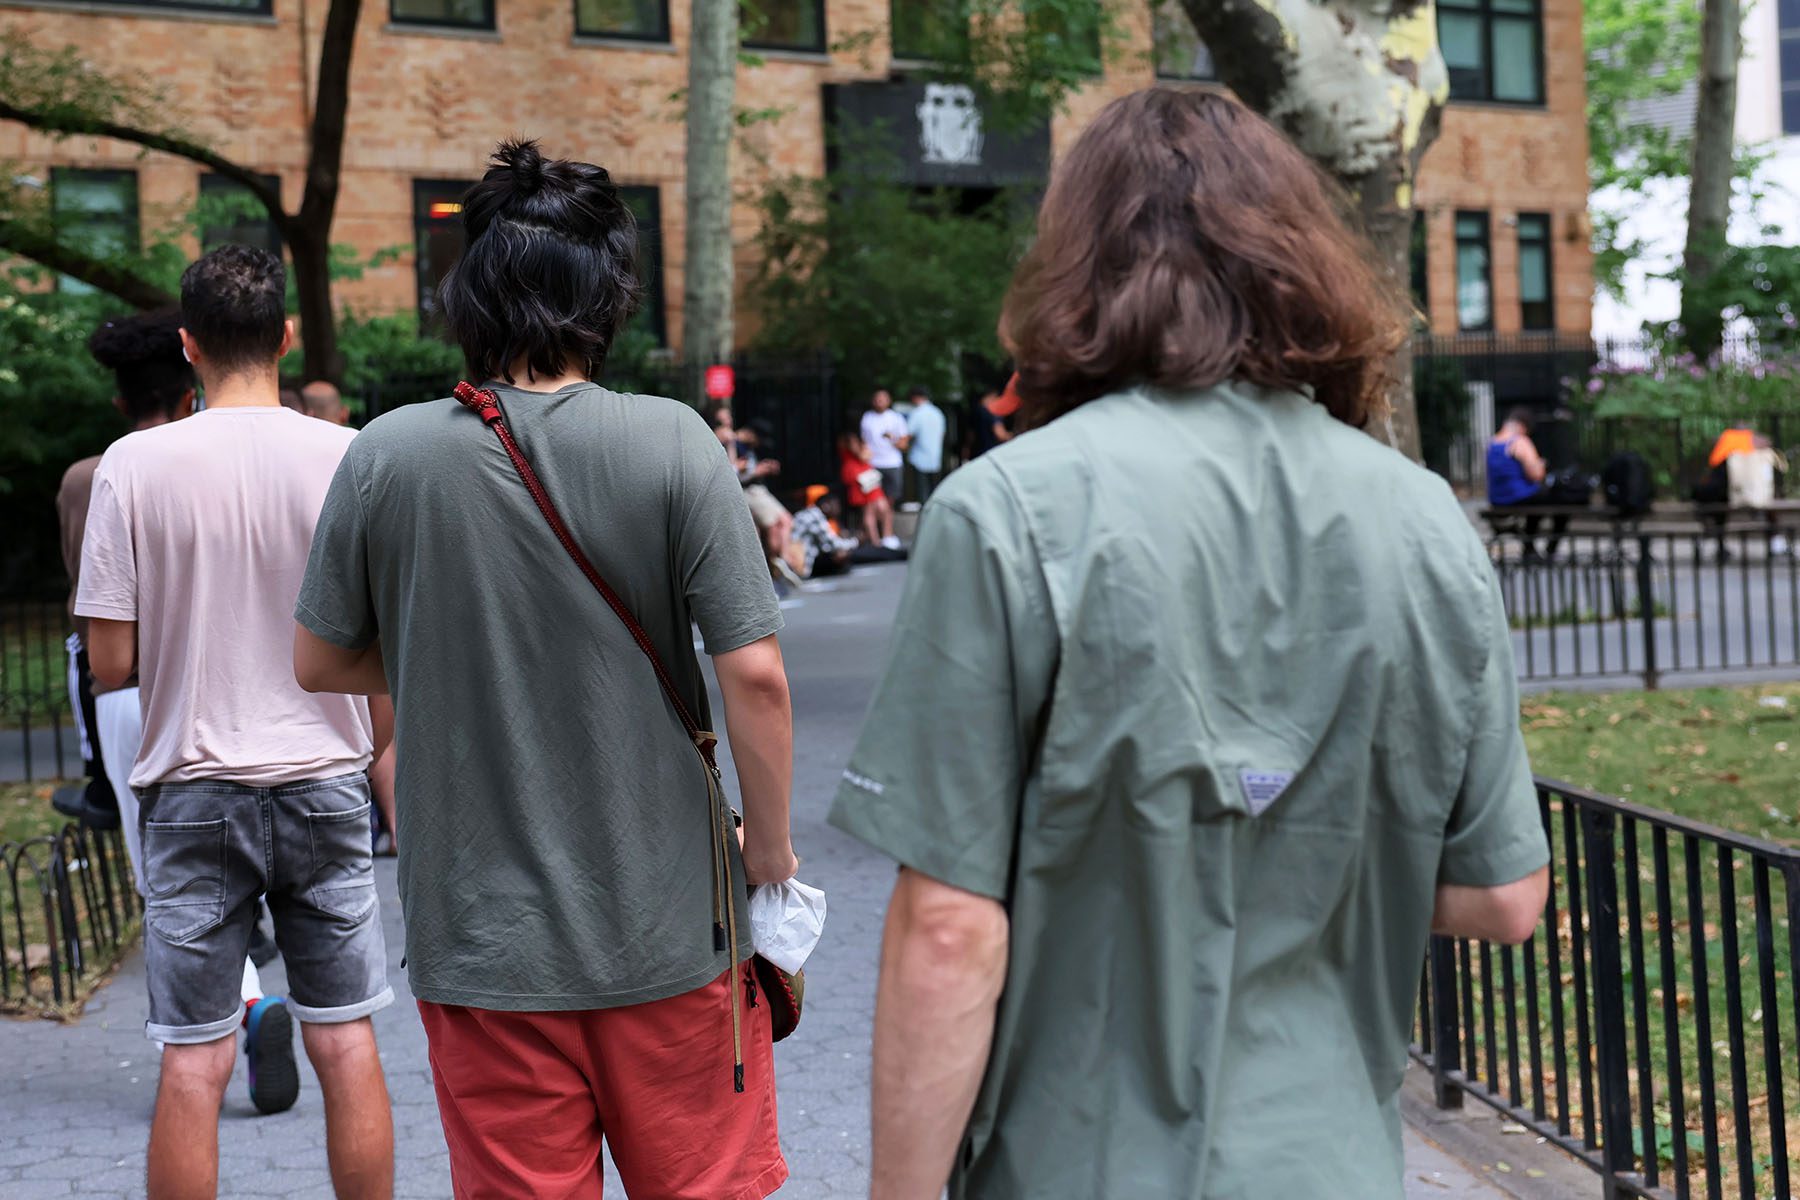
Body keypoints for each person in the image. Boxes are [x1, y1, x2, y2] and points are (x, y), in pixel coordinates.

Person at [829, 89, 1550, 1200]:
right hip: (1331, 1166)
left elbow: (947, 930)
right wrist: (1291, 859)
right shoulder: (1425, 522)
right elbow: (1506, 897)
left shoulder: (1009, 510)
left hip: (1077, 1161)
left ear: (1077, 265)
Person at [292, 140, 795, 1200]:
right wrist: (770, 852)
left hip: (484, 947)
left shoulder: (386, 454)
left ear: (466, 294)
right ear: (608, 294)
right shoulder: (675, 445)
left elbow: (318, 657)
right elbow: (756, 676)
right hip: (672, 936)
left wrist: (452, 646)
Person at [76, 245, 394, 1196]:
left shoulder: (130, 468)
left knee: (194, 1055)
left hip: (193, 789)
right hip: (325, 781)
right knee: (344, 1040)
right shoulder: (352, 457)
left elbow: (110, 664)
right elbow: (389, 641)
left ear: (188, 346)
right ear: (288, 338)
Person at [54, 312, 197, 836]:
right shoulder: (204, 464)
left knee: (159, 883)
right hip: (196, 687)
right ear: (190, 398)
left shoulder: (82, 478)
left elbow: (83, 586)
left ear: (120, 404)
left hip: (118, 690)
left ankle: (98, 791)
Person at [1487, 408, 1569, 560]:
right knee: (1561, 501)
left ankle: (1529, 547)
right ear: (1523, 426)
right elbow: (1536, 475)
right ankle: (1550, 549)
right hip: (1519, 496)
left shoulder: (1492, 443)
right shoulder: (1519, 441)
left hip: (1498, 499)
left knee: (1538, 502)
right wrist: (1540, 465)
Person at [861, 388, 910, 514]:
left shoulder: (896, 418)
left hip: (892, 463)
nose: (879, 402)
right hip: (873, 464)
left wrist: (892, 438)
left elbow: (904, 445)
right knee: (872, 500)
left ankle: (887, 529)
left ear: (888, 401)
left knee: (890, 499)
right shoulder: (867, 417)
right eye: (877, 399)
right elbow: (864, 441)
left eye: (882, 399)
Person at [840, 432, 894, 547]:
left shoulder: (863, 446)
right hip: (860, 482)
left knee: (882, 509)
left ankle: (885, 538)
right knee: (869, 512)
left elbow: (868, 456)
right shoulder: (847, 450)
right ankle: (876, 542)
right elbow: (863, 456)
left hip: (869, 482)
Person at [792, 486, 859, 578]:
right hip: (800, 563)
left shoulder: (810, 513)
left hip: (800, 559)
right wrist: (856, 541)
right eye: (836, 505)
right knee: (842, 556)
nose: (838, 509)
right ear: (825, 505)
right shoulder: (814, 516)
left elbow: (825, 545)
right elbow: (832, 544)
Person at [904, 387, 946, 503]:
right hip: (935, 458)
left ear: (915, 398)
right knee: (934, 493)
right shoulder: (938, 413)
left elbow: (908, 434)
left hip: (919, 458)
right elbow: (942, 434)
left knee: (921, 493)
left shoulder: (917, 413)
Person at [970, 376, 1018, 458]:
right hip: (992, 454)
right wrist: (1017, 436)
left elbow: (970, 436)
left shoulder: (976, 410)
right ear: (994, 395)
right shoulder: (995, 411)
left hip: (976, 455)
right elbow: (1000, 435)